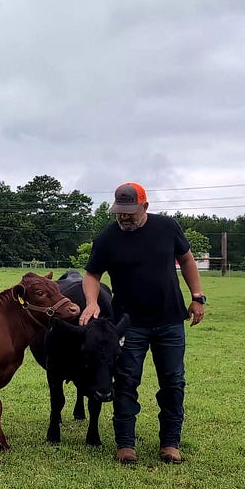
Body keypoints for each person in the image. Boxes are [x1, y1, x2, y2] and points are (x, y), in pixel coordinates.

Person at [79, 182, 206, 465]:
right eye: (119, 213)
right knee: (125, 381)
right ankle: (125, 444)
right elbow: (91, 275)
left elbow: (186, 259)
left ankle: (170, 443)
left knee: (173, 381)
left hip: (170, 320)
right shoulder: (107, 238)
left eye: (130, 213)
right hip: (128, 323)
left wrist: (197, 296)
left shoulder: (167, 227)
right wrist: (91, 302)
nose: (123, 218)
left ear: (144, 207)